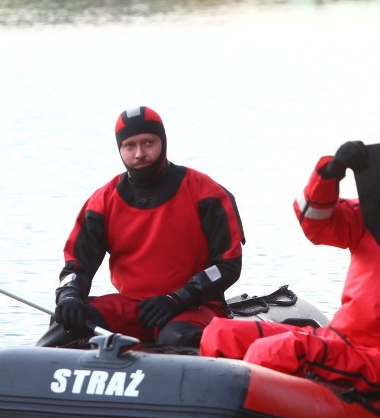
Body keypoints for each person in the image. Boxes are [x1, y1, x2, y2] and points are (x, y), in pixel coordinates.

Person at [199, 141, 380, 392]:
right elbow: (315, 222)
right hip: (340, 338)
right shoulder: (371, 223)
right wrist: (331, 172)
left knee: (273, 352)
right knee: (220, 333)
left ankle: (251, 415)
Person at [47, 106, 245, 348]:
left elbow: (227, 265)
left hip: (195, 307)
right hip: (133, 307)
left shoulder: (206, 193)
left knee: (175, 339)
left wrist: (179, 298)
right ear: (120, 149)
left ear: (163, 141)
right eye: (130, 146)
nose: (140, 153)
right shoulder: (102, 201)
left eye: (148, 142)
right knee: (66, 324)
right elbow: (76, 265)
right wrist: (69, 296)